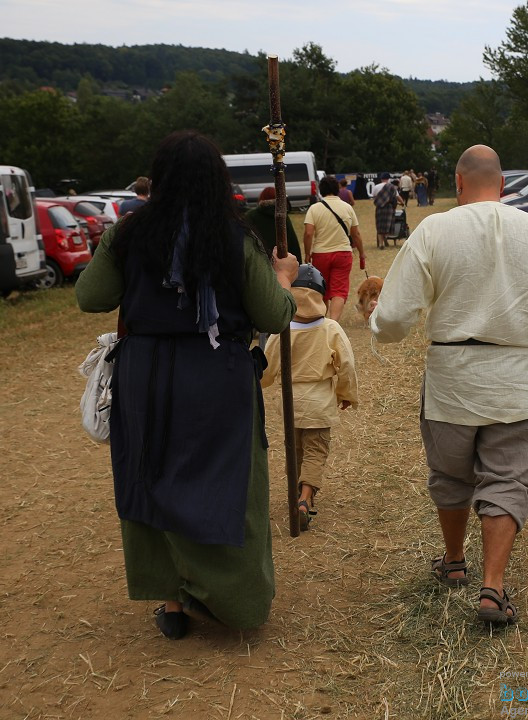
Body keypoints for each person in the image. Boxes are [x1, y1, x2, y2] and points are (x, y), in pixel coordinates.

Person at [75, 130, 299, 640]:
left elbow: (91, 296)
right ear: (218, 181)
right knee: (226, 484)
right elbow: (274, 314)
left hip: (145, 377)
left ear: (158, 180)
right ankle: (231, 603)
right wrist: (284, 276)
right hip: (214, 380)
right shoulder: (235, 238)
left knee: (152, 479)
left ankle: (174, 602)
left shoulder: (128, 234)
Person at [370, 144, 528, 626]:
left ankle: (454, 564)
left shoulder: (434, 229)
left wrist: (381, 334)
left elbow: (391, 317)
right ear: (503, 185)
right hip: (519, 384)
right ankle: (492, 589)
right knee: (509, 480)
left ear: (457, 182)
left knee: (451, 476)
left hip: (453, 381)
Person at [260, 264, 359, 531]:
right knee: (315, 451)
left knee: (295, 450)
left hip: (290, 403)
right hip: (319, 403)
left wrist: (262, 383)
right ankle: (304, 499)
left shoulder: (282, 329)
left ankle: (296, 493)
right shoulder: (330, 328)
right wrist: (346, 394)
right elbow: (346, 365)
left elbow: (267, 366)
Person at [303, 175, 366, 321]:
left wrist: (307, 253)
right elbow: (356, 234)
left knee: (321, 289)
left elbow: (308, 233)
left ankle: (320, 320)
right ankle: (333, 323)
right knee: (339, 290)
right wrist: (362, 253)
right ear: (337, 189)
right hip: (343, 253)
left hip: (320, 254)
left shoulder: (314, 208)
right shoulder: (347, 207)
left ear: (321, 190)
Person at [244, 186, 302, 261]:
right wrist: (298, 264)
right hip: (281, 262)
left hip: (258, 262)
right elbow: (293, 242)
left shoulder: (250, 216)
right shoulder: (283, 216)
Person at [372, 172, 402, 249]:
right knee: (387, 225)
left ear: (381, 179)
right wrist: (402, 203)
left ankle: (381, 244)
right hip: (389, 208)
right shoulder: (391, 187)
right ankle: (385, 238)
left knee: (379, 226)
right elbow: (397, 197)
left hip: (379, 208)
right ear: (388, 179)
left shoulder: (376, 187)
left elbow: (375, 197)